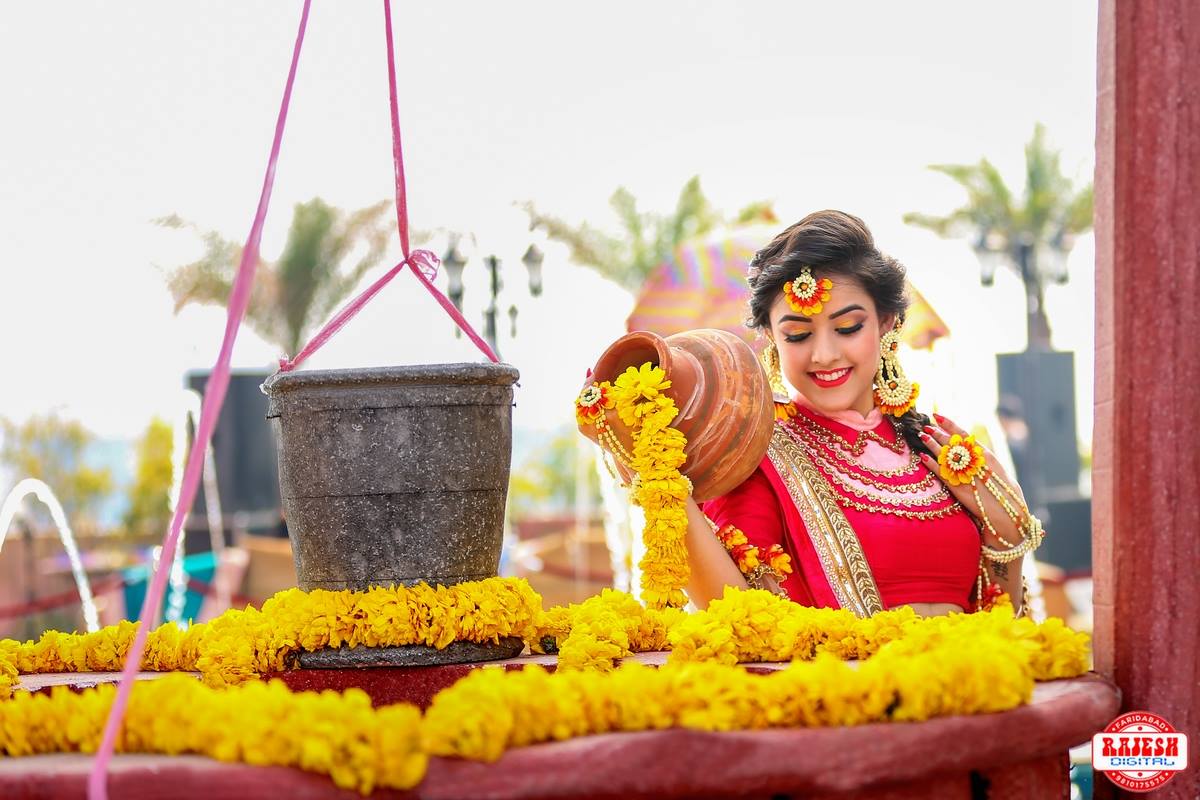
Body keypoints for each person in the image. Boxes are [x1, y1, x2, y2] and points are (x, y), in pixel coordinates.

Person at [684, 210, 1043, 617]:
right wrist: (656, 482)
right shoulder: (756, 454)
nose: (825, 355)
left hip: (970, 676)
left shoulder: (941, 448)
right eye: (798, 335)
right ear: (770, 337)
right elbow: (743, 619)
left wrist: (1007, 539)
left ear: (886, 322)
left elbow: (1003, 622)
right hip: (842, 680)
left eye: (849, 327)